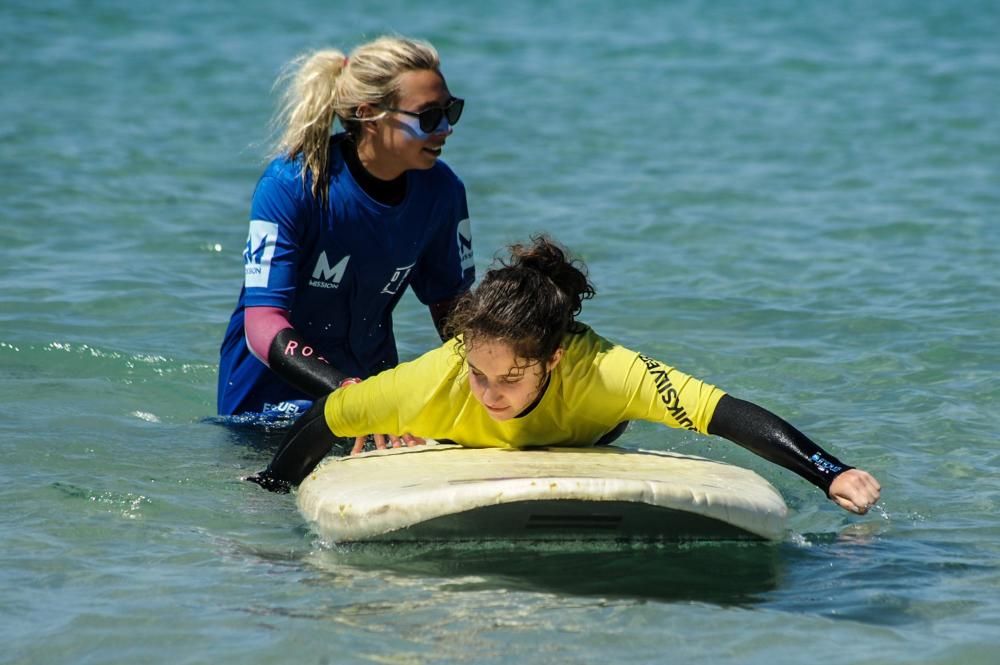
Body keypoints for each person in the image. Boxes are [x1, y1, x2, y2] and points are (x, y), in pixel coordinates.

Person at [250, 236, 882, 515]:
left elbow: (725, 414)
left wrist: (830, 472)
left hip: (586, 433)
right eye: (478, 374)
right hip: (463, 442)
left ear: (554, 360)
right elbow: (322, 421)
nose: (490, 393)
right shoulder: (427, 383)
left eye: (511, 378)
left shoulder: (607, 372)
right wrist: (272, 492)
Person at [217, 36, 475, 425]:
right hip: (266, 410)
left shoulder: (442, 192)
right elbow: (261, 323)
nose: (445, 129)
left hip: (370, 398)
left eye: (449, 111)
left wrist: (503, 377)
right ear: (370, 114)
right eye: (427, 117)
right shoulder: (290, 184)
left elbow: (452, 309)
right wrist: (347, 393)